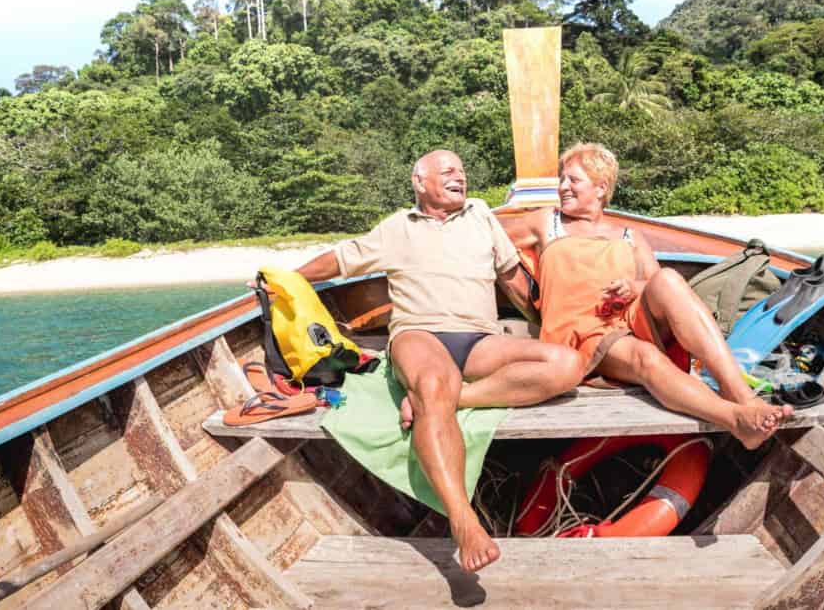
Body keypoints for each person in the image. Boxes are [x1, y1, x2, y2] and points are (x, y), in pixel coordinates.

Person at [293, 149, 582, 573]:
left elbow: (514, 280)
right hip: (419, 333)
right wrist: (285, 277)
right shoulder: (397, 227)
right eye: (447, 171)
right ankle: (462, 518)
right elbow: (339, 259)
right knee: (432, 383)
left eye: (462, 172)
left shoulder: (482, 215)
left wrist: (549, 323)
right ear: (419, 180)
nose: (458, 177)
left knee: (566, 364)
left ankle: (456, 398)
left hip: (480, 338)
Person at [502, 143, 794, 450]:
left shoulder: (629, 235)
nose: (563, 187)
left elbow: (653, 285)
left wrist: (633, 286)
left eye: (573, 180)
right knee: (646, 357)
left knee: (667, 278)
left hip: (630, 318)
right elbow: (488, 235)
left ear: (601, 188)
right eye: (562, 179)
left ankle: (742, 396)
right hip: (582, 332)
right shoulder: (547, 222)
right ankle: (736, 419)